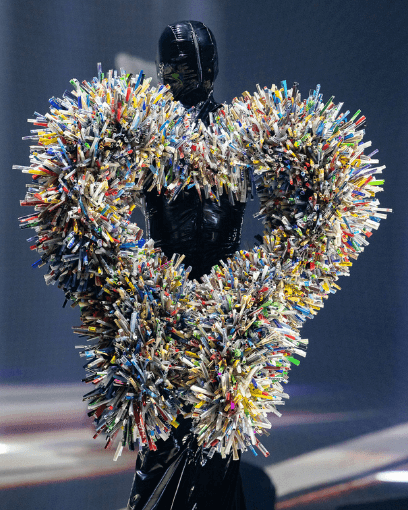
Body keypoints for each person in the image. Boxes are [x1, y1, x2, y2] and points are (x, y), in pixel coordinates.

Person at [126, 20, 247, 510]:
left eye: (187, 62)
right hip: (168, 308)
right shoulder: (148, 131)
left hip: (223, 310)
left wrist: (278, 271)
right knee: (163, 443)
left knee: (218, 447)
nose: (178, 73)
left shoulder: (240, 129)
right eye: (172, 64)